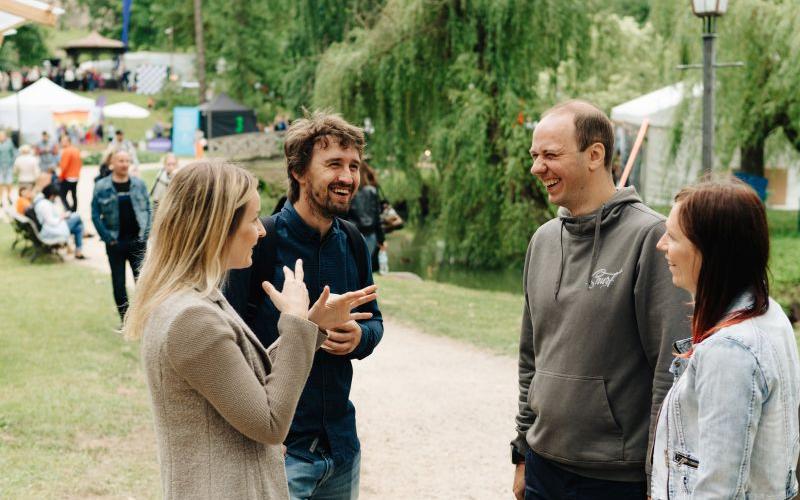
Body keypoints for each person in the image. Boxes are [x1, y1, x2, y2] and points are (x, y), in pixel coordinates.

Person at [123, 161, 377, 499]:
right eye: (253, 219)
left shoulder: (192, 298)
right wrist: (296, 322)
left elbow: (246, 384)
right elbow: (270, 423)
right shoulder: (192, 318)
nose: (261, 231)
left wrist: (311, 327)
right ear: (216, 228)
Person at [511, 100, 690, 500]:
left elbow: (672, 369)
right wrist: (522, 451)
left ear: (595, 155)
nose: (537, 167)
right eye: (535, 155)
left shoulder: (651, 238)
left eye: (550, 155)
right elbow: (530, 359)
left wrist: (658, 474)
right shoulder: (542, 241)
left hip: (616, 481)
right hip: (543, 466)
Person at [225, 111, 383, 500]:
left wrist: (360, 337)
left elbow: (375, 320)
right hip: (281, 452)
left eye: (353, 166)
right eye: (333, 165)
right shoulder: (258, 241)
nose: (347, 177)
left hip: (342, 449)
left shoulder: (353, 241)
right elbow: (230, 342)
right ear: (298, 172)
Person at [650, 179, 800, 499]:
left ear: (709, 252)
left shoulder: (731, 351)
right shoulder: (769, 315)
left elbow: (719, 488)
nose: (662, 244)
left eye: (673, 237)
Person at [91, 150, 151, 321]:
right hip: (115, 243)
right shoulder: (101, 186)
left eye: (127, 160)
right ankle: (125, 320)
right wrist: (108, 238)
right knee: (119, 284)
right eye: (120, 160)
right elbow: (95, 215)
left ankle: (142, 320)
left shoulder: (139, 184)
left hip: (137, 242)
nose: (124, 164)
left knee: (142, 283)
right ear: (112, 163)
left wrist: (145, 235)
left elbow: (148, 209)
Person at [346, 162, 386, 270]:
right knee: (365, 268)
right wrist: (381, 240)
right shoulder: (372, 191)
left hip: (352, 233)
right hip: (370, 235)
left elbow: (344, 214)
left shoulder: (349, 191)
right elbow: (377, 217)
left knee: (352, 267)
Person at [34, 184, 85, 259]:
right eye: (55, 196)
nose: (54, 198)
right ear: (51, 195)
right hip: (51, 230)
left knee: (79, 228)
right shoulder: (45, 205)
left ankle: (78, 251)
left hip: (53, 227)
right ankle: (82, 239)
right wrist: (62, 217)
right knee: (77, 217)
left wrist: (62, 216)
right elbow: (51, 222)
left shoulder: (42, 201)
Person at [58, 135, 82, 212]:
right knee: (74, 195)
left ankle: (69, 210)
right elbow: (80, 164)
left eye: (63, 141)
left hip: (68, 177)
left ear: (68, 141)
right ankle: (74, 210)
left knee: (62, 195)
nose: (61, 143)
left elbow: (63, 167)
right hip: (75, 177)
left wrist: (60, 177)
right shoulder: (76, 150)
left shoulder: (66, 151)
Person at [0, 129, 16, 207]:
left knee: (9, 183)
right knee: (1, 183)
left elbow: (14, 153)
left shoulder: (9, 143)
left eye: (2, 136)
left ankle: (9, 197)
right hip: (0, 167)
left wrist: (12, 164)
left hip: (8, 166)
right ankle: (0, 199)